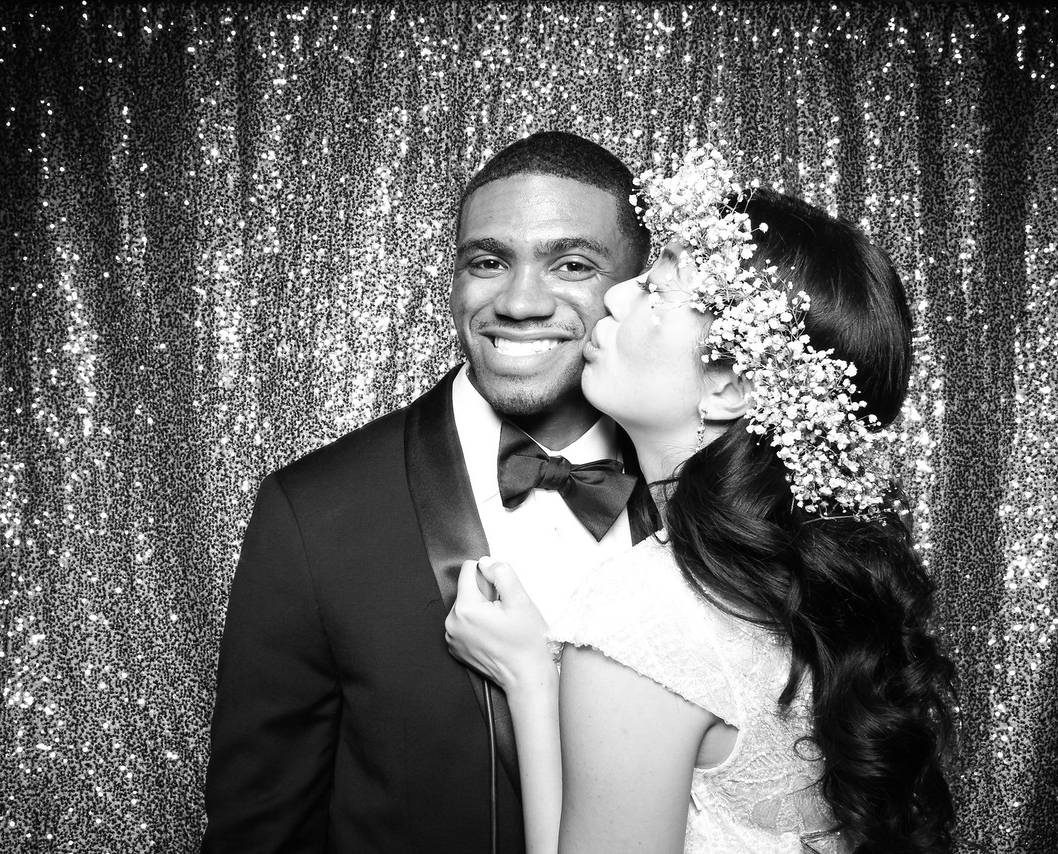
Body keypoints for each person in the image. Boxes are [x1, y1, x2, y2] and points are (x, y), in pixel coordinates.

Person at [446, 148, 957, 853]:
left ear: (726, 387)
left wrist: (533, 682)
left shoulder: (645, 618)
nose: (616, 297)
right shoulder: (806, 584)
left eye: (655, 292)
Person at [201, 131, 657, 854]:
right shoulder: (314, 511)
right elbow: (259, 833)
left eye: (572, 264)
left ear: (638, 289)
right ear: (453, 281)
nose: (520, 302)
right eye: (488, 262)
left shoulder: (711, 492)